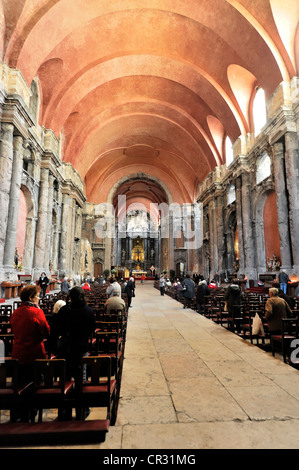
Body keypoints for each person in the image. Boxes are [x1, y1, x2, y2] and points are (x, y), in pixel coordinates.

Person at [50, 286, 95, 419]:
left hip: (66, 350)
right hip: (81, 350)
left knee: (65, 380)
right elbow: (92, 329)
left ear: (70, 297)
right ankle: (83, 411)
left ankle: (64, 412)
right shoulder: (88, 311)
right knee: (82, 380)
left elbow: (56, 330)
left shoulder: (64, 310)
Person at [10, 284, 50, 421]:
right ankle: (31, 413)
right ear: (31, 298)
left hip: (18, 353)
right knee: (34, 383)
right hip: (34, 353)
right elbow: (46, 331)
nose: (39, 298)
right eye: (37, 296)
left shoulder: (15, 313)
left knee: (20, 382)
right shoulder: (36, 312)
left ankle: (18, 413)